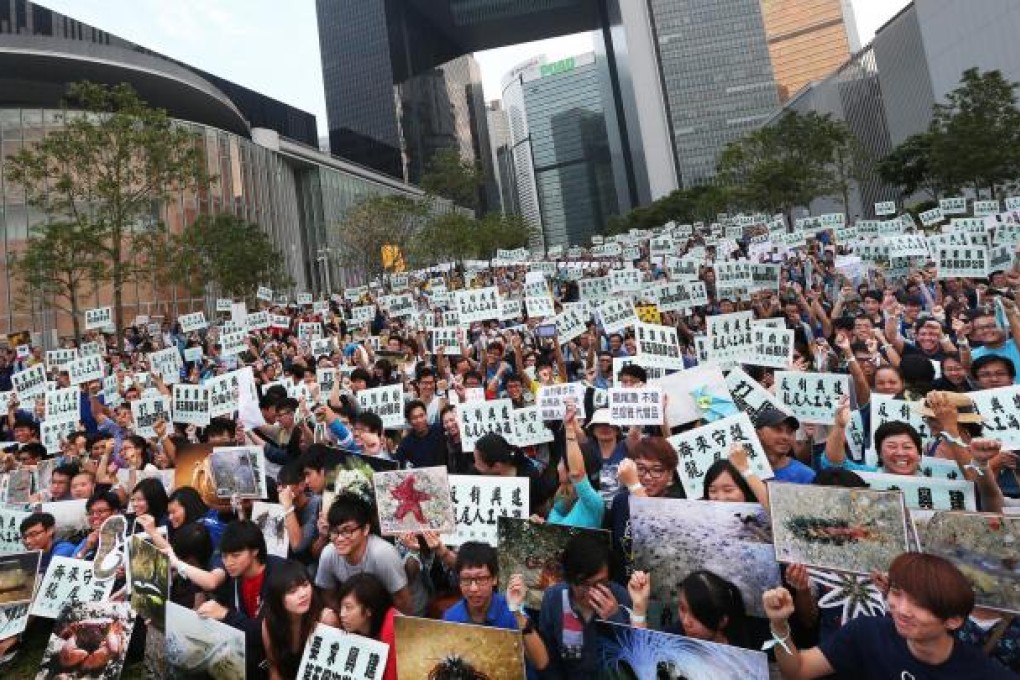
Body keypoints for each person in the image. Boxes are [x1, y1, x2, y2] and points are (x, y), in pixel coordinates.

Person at [761, 552, 1015, 679]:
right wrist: (779, 624)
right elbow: (798, 670)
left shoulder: (981, 672)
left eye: (921, 604)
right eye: (897, 592)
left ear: (954, 620)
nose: (902, 609)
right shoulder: (866, 633)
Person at [442, 541, 548, 674]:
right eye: (466, 580)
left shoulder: (512, 610)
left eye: (481, 579)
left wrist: (517, 613)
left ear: (494, 579)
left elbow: (541, 662)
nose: (474, 588)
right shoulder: (451, 617)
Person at [198, 520, 286, 680]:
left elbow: (266, 634)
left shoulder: (278, 575)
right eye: (224, 556)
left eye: (236, 555)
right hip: (247, 648)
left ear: (255, 551)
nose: (229, 562)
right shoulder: (235, 577)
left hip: (278, 654)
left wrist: (225, 614)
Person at [538, 532, 632, 676]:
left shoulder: (621, 597)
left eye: (600, 583)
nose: (591, 593)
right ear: (569, 579)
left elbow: (633, 655)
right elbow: (548, 656)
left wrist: (615, 618)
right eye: (583, 584)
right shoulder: (553, 598)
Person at [314, 493, 412, 614]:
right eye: (334, 531)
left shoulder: (383, 554)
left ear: (365, 529)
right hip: (359, 614)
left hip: (393, 611)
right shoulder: (328, 553)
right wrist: (346, 619)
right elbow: (328, 596)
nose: (339, 538)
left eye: (347, 531)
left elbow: (403, 601)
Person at [606, 437, 685, 582]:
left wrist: (635, 486)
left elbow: (656, 539)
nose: (647, 477)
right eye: (641, 469)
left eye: (657, 470)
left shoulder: (678, 508)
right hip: (623, 586)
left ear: (670, 475)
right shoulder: (621, 501)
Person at [628, 569, 762, 649]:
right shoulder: (676, 634)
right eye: (682, 608)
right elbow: (643, 651)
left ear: (722, 621)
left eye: (697, 615)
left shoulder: (741, 652)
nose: (686, 621)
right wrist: (639, 607)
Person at [261, 559, 340, 680]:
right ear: (278, 598)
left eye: (305, 585)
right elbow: (274, 668)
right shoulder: (269, 623)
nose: (303, 594)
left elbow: (337, 669)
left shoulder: (326, 619)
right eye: (293, 591)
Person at [546, 401, 603, 528]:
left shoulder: (593, 502)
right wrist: (540, 525)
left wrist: (570, 429)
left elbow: (577, 473)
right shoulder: (563, 497)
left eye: (561, 462)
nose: (558, 466)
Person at [336, 573, 398, 680]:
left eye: (348, 607)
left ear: (368, 610)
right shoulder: (354, 628)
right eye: (341, 607)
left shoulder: (393, 630)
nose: (342, 614)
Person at [473, 432, 552, 514]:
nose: (475, 465)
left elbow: (542, 508)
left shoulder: (530, 478)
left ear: (497, 466)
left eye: (478, 463)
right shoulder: (475, 474)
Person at [277, 462, 322, 566]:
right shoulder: (281, 503)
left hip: (310, 562)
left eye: (284, 485)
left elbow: (297, 546)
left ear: (301, 485)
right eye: (278, 485)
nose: (279, 490)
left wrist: (288, 507)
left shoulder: (316, 505)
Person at [754, 407, 815, 483]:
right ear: (759, 433)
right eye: (778, 430)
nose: (785, 437)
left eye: (789, 432)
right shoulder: (744, 470)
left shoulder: (806, 475)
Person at [394, 400, 446, 468]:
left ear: (426, 415)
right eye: (414, 418)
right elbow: (398, 465)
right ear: (409, 421)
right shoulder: (405, 444)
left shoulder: (439, 429)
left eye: (421, 415)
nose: (419, 420)